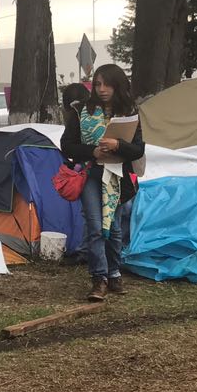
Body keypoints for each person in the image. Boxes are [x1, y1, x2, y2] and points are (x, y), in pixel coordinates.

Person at [60, 64, 145, 302]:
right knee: (96, 227)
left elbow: (138, 149)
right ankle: (99, 279)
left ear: (118, 86)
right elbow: (67, 145)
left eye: (107, 84)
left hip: (117, 176)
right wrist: (92, 152)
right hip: (90, 174)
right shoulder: (81, 111)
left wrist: (118, 146)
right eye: (97, 84)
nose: (102, 89)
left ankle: (114, 273)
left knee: (114, 228)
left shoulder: (128, 112)